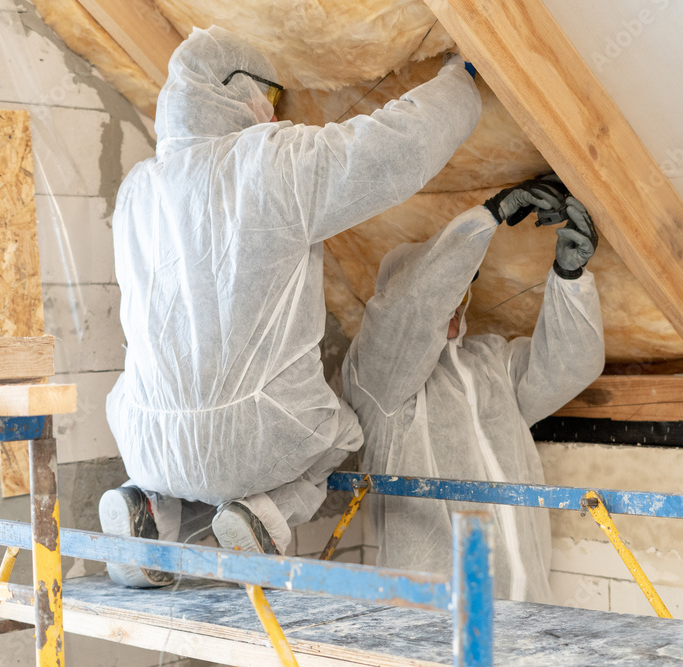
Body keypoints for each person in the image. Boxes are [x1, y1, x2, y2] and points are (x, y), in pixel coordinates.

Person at [99, 26, 484, 588]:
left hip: (144, 438)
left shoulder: (137, 190)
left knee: (193, 466)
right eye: (270, 99)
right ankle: (263, 516)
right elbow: (395, 146)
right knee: (340, 436)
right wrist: (461, 80)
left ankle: (147, 510)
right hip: (260, 431)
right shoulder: (269, 162)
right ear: (230, 90)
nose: (273, 116)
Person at [341, 176, 604, 603]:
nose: (453, 298)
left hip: (525, 607)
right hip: (431, 624)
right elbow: (408, 310)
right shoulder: (375, 378)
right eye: (441, 287)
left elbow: (570, 365)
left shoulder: (491, 360)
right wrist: (491, 213)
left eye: (459, 287)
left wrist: (569, 277)